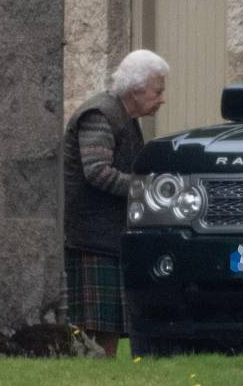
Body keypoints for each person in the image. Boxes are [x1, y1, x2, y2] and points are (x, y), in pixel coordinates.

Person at [63, 49, 169, 356]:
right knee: (97, 328)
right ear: (136, 90)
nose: (162, 99)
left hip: (106, 235)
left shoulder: (124, 115)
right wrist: (148, 190)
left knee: (106, 328)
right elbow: (97, 172)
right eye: (157, 91)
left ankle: (103, 376)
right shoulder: (101, 114)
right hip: (91, 237)